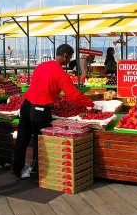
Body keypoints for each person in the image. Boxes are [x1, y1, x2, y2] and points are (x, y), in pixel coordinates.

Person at [11, 44, 95, 178]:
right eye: (70, 58)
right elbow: (73, 95)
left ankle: (15, 169)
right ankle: (39, 173)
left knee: (22, 139)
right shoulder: (61, 74)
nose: (69, 61)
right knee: (42, 141)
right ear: (65, 56)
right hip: (40, 109)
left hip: (26, 105)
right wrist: (91, 104)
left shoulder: (41, 66)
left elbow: (39, 84)